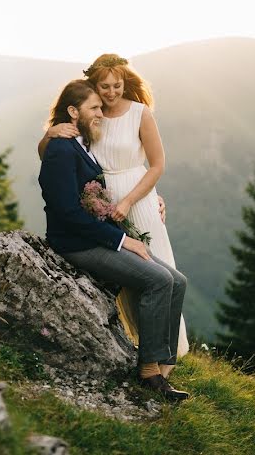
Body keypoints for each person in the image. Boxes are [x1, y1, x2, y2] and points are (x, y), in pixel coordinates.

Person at [38, 54, 189, 378]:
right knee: (159, 280)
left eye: (115, 86)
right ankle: (149, 370)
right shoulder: (65, 143)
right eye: (98, 97)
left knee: (177, 280)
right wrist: (121, 239)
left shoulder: (85, 138)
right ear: (75, 110)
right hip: (89, 233)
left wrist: (144, 199)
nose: (104, 105)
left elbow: (150, 164)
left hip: (114, 216)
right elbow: (66, 205)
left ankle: (164, 366)